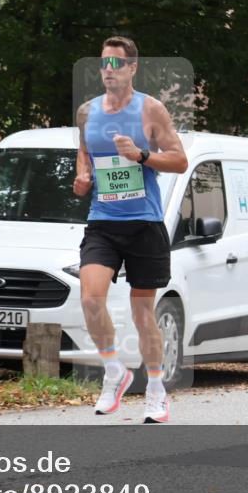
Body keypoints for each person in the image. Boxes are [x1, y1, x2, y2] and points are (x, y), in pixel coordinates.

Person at [73, 36, 188, 423]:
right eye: (104, 63)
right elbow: (84, 157)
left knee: (142, 312)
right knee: (91, 299)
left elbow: (180, 160)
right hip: (103, 222)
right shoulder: (87, 112)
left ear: (132, 68)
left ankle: (155, 390)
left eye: (116, 63)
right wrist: (82, 178)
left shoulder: (150, 110)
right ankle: (114, 371)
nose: (108, 70)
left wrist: (141, 155)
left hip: (144, 223)